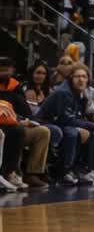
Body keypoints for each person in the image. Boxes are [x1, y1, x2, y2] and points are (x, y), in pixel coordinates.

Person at [38, 64, 94, 185]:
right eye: (77, 76)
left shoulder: (85, 91)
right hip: (50, 122)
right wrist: (91, 126)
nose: (81, 79)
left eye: (84, 76)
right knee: (74, 132)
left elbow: (90, 110)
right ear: (70, 78)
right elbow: (66, 120)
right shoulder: (63, 92)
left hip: (67, 121)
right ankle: (65, 171)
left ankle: (90, 169)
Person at [0, 58, 49, 188]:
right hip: (6, 126)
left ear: (13, 70)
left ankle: (32, 174)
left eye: (7, 69)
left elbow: (25, 110)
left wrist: (24, 120)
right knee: (17, 130)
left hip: (16, 123)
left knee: (43, 131)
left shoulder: (15, 86)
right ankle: (9, 171)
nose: (5, 73)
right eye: (2, 69)